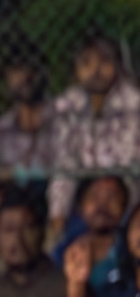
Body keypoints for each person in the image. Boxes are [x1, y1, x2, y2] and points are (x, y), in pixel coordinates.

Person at [47, 34, 140, 236]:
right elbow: (64, 165)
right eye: (87, 63)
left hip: (128, 201)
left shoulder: (133, 104)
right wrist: (58, 214)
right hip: (85, 203)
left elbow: (131, 164)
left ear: (117, 65)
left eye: (104, 61)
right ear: (76, 69)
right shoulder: (68, 105)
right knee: (63, 245)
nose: (96, 71)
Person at [0, 56, 56, 188]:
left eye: (30, 71)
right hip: (14, 195)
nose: (24, 78)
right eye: (16, 72)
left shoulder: (63, 119)